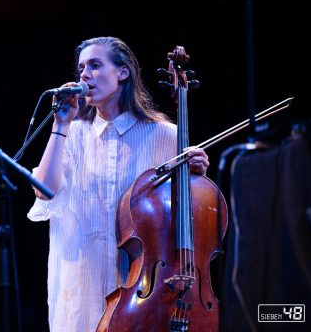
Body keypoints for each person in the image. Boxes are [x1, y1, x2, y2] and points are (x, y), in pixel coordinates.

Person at [27, 37, 209, 331]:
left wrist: (198, 173)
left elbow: (189, 215)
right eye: (81, 68)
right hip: (81, 283)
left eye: (95, 65)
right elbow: (43, 190)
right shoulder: (72, 135)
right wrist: (60, 125)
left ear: (123, 72)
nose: (84, 74)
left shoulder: (165, 135)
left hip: (142, 287)